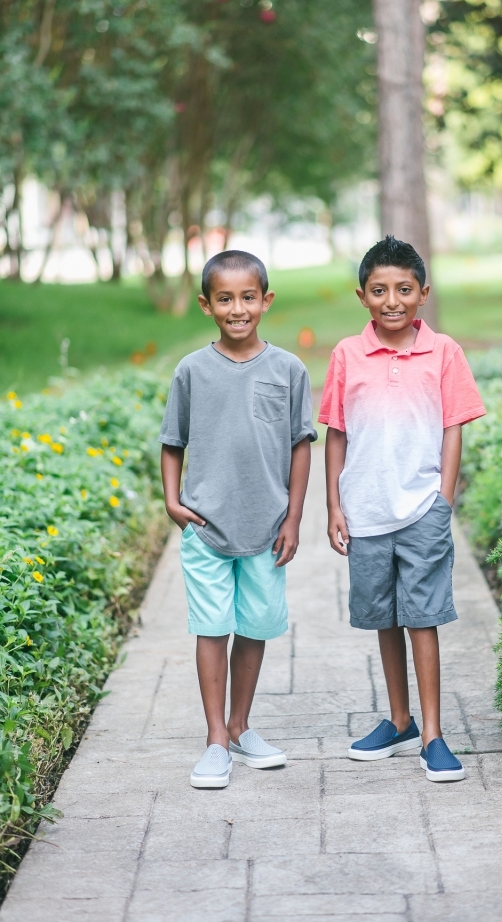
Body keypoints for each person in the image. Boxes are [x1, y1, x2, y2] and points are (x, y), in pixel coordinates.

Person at [319, 236, 485, 782]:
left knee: (423, 617)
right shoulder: (347, 354)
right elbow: (336, 433)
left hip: (421, 510)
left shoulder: (444, 353)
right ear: (362, 296)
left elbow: (452, 427)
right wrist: (335, 506)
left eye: (404, 289)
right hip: (365, 511)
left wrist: (444, 499)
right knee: (383, 617)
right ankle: (399, 720)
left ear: (423, 294)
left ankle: (434, 734)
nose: (392, 300)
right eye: (379, 290)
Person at [159, 250, 317, 788]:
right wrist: (171, 501)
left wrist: (294, 518)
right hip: (204, 528)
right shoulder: (192, 370)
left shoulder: (288, 369)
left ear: (266, 301)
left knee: (255, 625)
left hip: (267, 528)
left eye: (248, 297)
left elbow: (301, 446)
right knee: (212, 628)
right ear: (207, 305)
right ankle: (215, 740)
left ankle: (242, 726)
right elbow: (171, 441)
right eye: (225, 299)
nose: (238, 308)